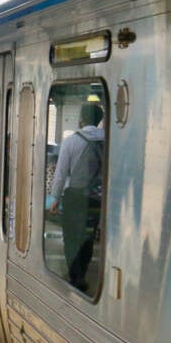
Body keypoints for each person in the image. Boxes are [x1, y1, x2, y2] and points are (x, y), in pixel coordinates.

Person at [49, 102, 104, 291]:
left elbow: (61, 173)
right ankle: (82, 273)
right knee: (88, 237)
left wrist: (54, 198)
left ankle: (76, 276)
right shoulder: (107, 140)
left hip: (74, 197)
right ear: (98, 120)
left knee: (71, 238)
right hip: (97, 199)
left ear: (82, 119)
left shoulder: (71, 141)